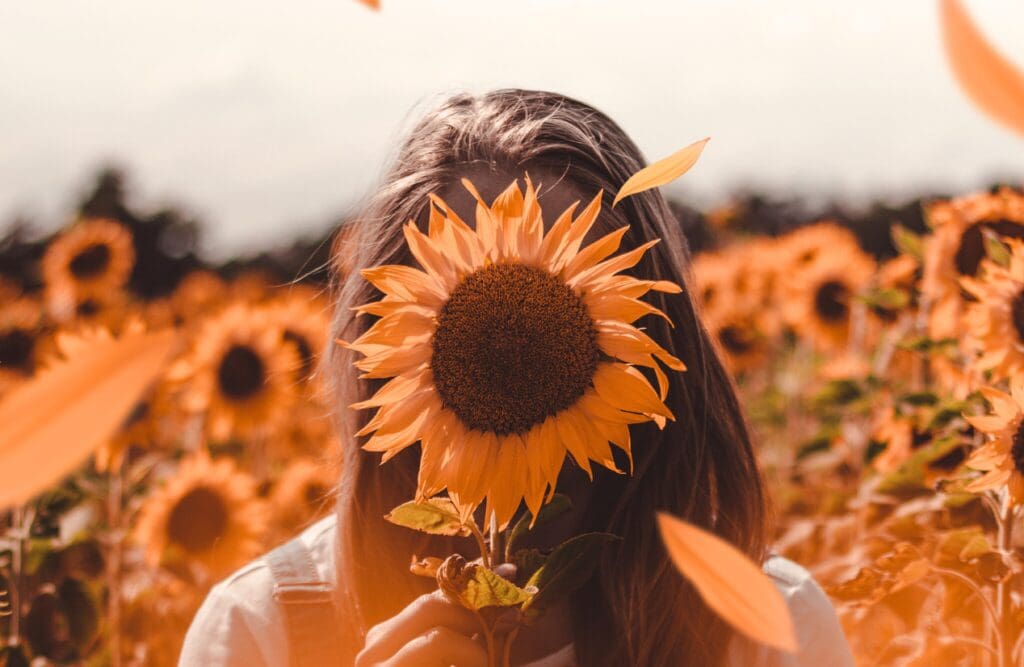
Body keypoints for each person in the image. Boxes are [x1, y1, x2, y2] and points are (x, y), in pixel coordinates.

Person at [179, 88, 854, 666]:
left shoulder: (766, 631)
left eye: (563, 290)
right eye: (472, 304)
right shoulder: (263, 631)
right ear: (382, 342)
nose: (516, 345)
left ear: (651, 326)